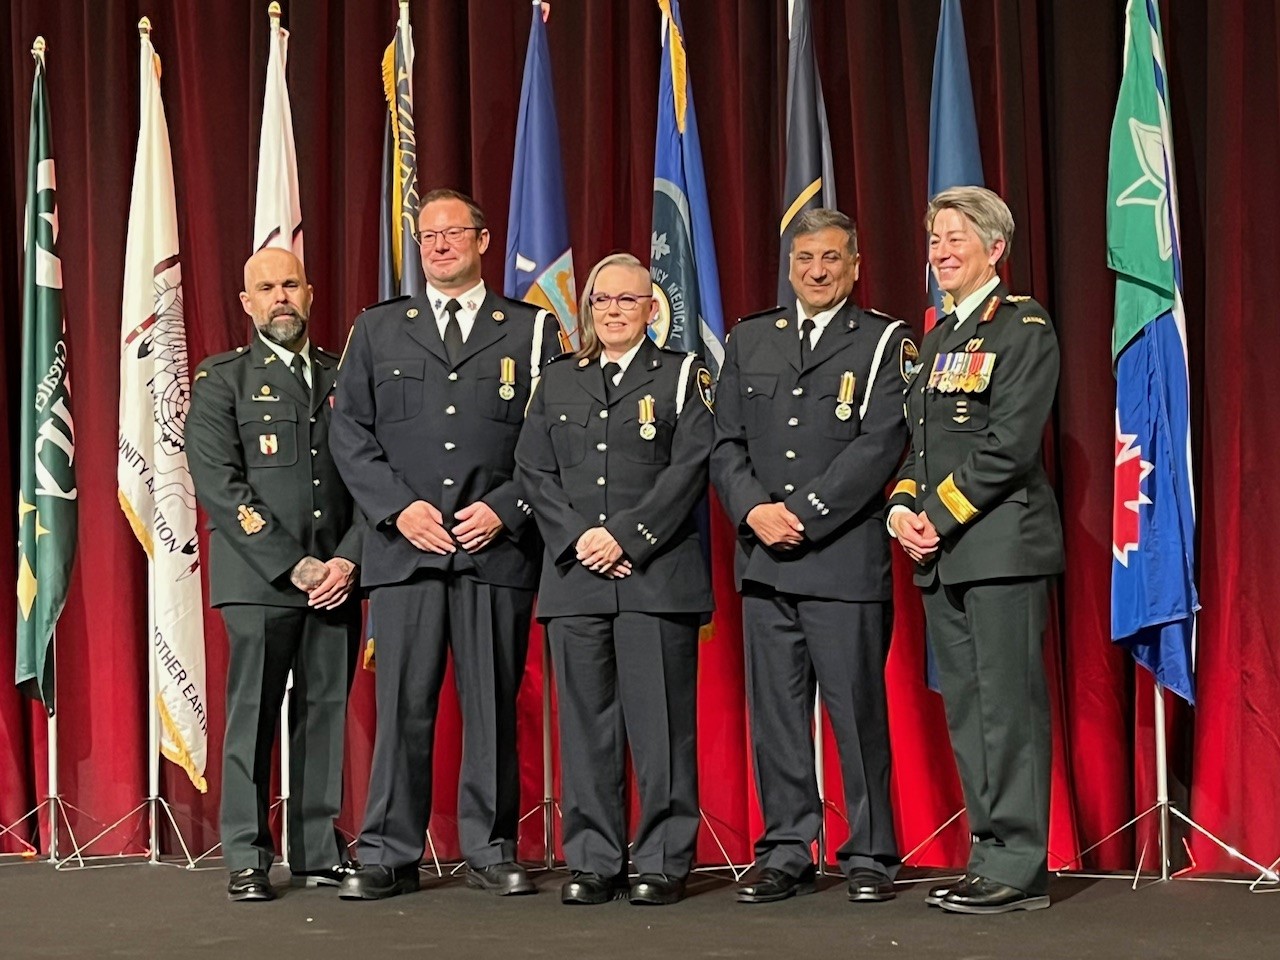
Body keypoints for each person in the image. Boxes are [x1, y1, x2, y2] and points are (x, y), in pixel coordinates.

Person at [330, 188, 562, 900]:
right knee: (402, 702)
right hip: (406, 550)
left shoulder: (531, 330)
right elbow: (349, 435)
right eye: (427, 236)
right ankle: (387, 851)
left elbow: (553, 437)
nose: (437, 245)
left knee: (492, 702)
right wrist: (399, 512)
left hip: (495, 547)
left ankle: (490, 847)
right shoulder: (377, 329)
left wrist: (506, 508)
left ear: (484, 241)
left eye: (452, 233)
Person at [712, 209, 912, 904]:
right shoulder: (749, 338)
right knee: (777, 716)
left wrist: (805, 513)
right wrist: (753, 510)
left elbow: (881, 442)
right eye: (804, 259)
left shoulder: (884, 340)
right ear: (789, 265)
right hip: (766, 562)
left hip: (843, 562)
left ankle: (871, 852)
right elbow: (725, 442)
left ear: (854, 266)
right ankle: (787, 848)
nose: (817, 271)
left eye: (830, 259)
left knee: (856, 714)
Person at [515, 253, 714, 906]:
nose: (614, 311)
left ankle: (660, 858)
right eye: (602, 301)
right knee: (586, 728)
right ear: (588, 308)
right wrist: (580, 539)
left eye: (628, 301)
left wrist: (626, 537)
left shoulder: (684, 376)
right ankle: (594, 858)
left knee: (660, 728)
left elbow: (688, 467)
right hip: (576, 579)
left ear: (652, 309)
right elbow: (533, 472)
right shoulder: (555, 381)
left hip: (655, 577)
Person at [887, 185, 1063, 914]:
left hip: (1000, 549)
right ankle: (992, 856)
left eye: (956, 238)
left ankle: (1019, 864)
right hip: (944, 555)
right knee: (968, 709)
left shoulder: (1023, 328)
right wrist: (902, 508)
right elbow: (919, 447)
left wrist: (935, 515)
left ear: (996, 248)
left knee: (1007, 712)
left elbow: (1007, 447)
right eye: (934, 241)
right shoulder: (933, 339)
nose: (941, 252)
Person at [187, 247, 364, 902]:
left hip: (338, 580)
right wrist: (296, 565)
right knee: (252, 716)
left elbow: (368, 480)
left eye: (291, 284)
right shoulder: (222, 380)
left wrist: (345, 559)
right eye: (266, 287)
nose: (280, 296)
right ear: (247, 303)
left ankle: (317, 848)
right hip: (260, 581)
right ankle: (246, 856)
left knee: (324, 713)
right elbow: (222, 488)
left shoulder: (344, 375)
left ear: (311, 293)